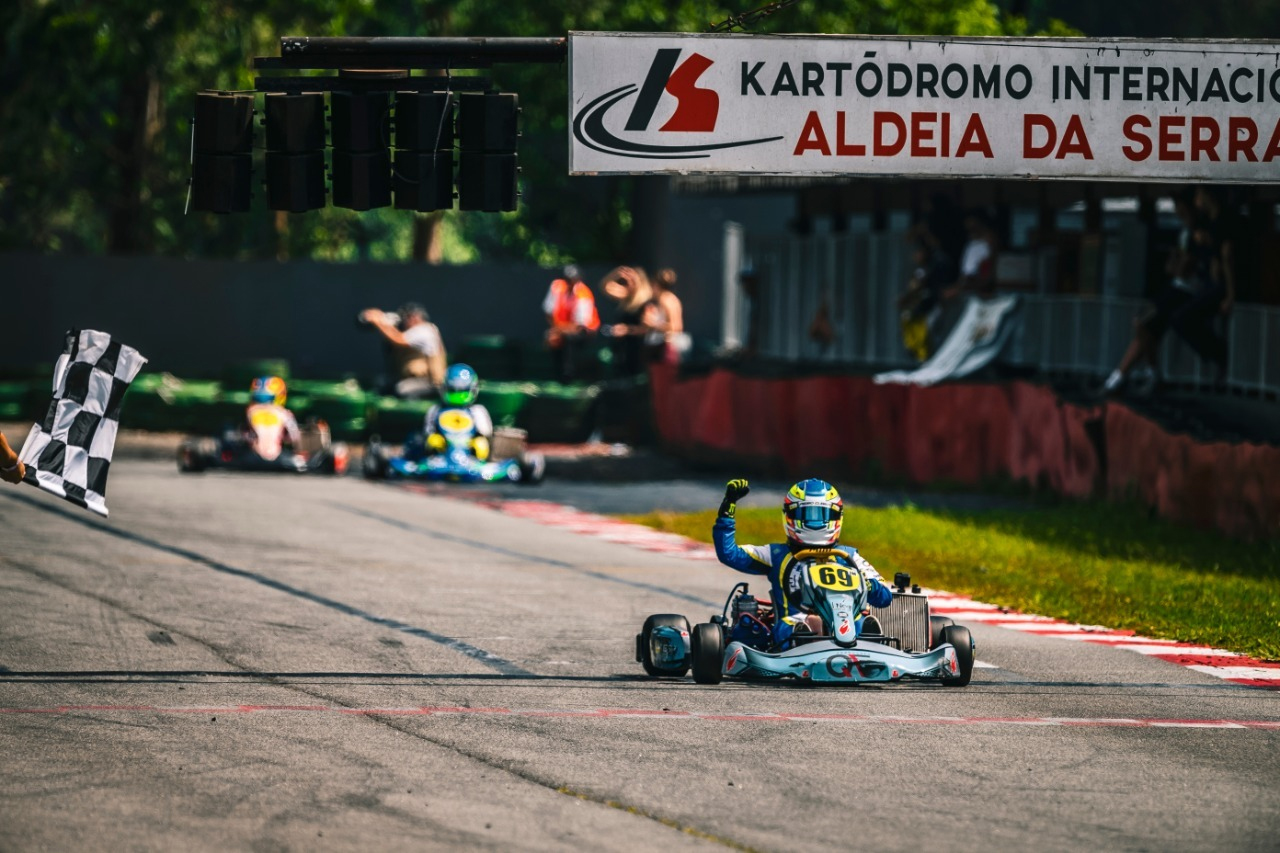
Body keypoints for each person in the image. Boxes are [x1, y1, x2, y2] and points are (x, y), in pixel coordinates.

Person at [712, 477, 892, 649]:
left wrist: (866, 585)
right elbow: (729, 553)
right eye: (806, 514)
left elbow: (885, 596)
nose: (815, 522)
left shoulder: (849, 556)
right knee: (805, 623)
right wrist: (728, 508)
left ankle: (866, 638)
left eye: (822, 514)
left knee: (859, 621)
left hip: (844, 623)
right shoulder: (776, 554)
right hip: (794, 623)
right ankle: (807, 638)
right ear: (790, 515)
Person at [360, 302, 447, 399]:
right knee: (383, 386)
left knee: (402, 389)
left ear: (414, 317)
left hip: (432, 383)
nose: (404, 322)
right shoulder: (413, 332)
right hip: (414, 380)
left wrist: (377, 320)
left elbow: (398, 339)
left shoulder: (425, 330)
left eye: (406, 318)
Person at [423, 363, 494, 461]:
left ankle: (477, 461)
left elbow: (486, 433)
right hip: (443, 452)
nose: (457, 395)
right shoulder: (435, 410)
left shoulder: (477, 411)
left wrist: (473, 440)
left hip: (469, 450)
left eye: (462, 391)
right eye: (453, 391)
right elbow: (428, 431)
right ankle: (434, 460)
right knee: (433, 441)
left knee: (480, 443)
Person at [542, 265, 600, 382]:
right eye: (566, 279)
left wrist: (558, 331)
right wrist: (555, 331)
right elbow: (548, 312)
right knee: (554, 340)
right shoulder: (557, 286)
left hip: (585, 331)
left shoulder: (583, 294)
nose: (568, 283)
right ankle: (557, 375)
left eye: (571, 280)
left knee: (568, 339)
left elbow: (580, 325)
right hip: (561, 328)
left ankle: (569, 375)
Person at [601, 265, 655, 376]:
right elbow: (605, 286)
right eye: (627, 281)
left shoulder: (646, 302)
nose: (629, 283)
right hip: (623, 348)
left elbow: (647, 329)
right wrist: (617, 272)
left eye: (632, 280)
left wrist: (626, 330)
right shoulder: (628, 297)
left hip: (638, 349)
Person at [245, 375, 301, 462]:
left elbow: (249, 435)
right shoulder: (284, 413)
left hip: (254, 456)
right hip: (278, 457)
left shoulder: (250, 412)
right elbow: (294, 437)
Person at [645, 267, 689, 365]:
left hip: (664, 348)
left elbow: (675, 326)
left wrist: (652, 324)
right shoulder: (669, 299)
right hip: (662, 346)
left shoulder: (665, 300)